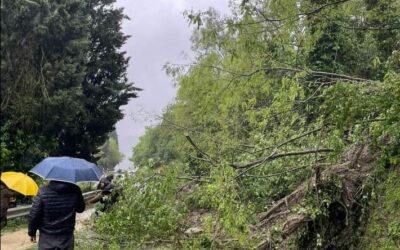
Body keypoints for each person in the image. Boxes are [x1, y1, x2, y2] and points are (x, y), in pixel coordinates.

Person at [28, 180, 85, 250]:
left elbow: (34, 215)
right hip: (66, 238)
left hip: (46, 238)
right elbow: (81, 209)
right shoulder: (75, 190)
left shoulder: (42, 192)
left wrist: (31, 232)